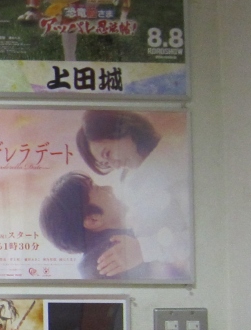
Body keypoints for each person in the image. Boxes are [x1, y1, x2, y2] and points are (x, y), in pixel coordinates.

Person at [74, 110, 192, 279]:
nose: (115, 165)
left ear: (123, 130)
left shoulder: (177, 162)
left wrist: (143, 250)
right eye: (106, 163)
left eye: (108, 153)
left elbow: (202, 237)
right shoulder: (125, 179)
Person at [39, 171, 181, 280]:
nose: (109, 188)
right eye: (98, 189)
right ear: (93, 220)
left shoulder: (95, 261)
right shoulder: (114, 256)